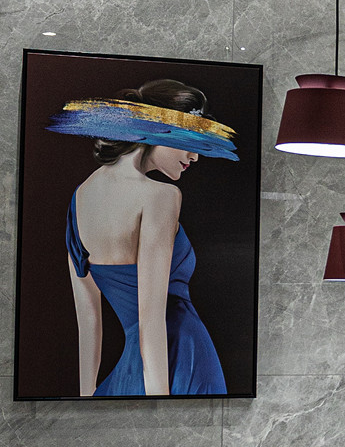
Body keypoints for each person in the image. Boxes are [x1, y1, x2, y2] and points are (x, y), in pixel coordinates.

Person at [46, 78, 237, 397]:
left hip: (135, 369)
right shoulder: (161, 197)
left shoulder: (81, 197)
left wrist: (87, 397)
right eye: (190, 139)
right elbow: (151, 320)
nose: (195, 156)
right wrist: (161, 403)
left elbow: (89, 321)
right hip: (182, 361)